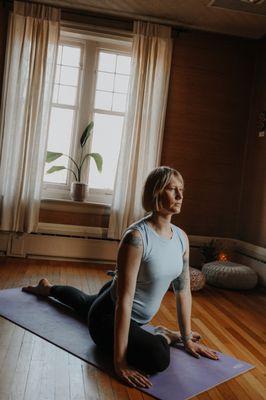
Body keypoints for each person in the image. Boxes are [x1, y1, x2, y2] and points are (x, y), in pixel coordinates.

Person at [22, 166, 219, 389]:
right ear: (156, 193)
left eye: (182, 189)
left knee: (85, 303)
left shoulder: (181, 238)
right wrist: (120, 362)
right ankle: (164, 335)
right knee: (158, 358)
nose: (180, 196)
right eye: (173, 190)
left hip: (114, 295)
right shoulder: (136, 237)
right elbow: (124, 302)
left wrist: (186, 338)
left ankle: (48, 288)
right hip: (108, 316)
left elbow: (183, 291)